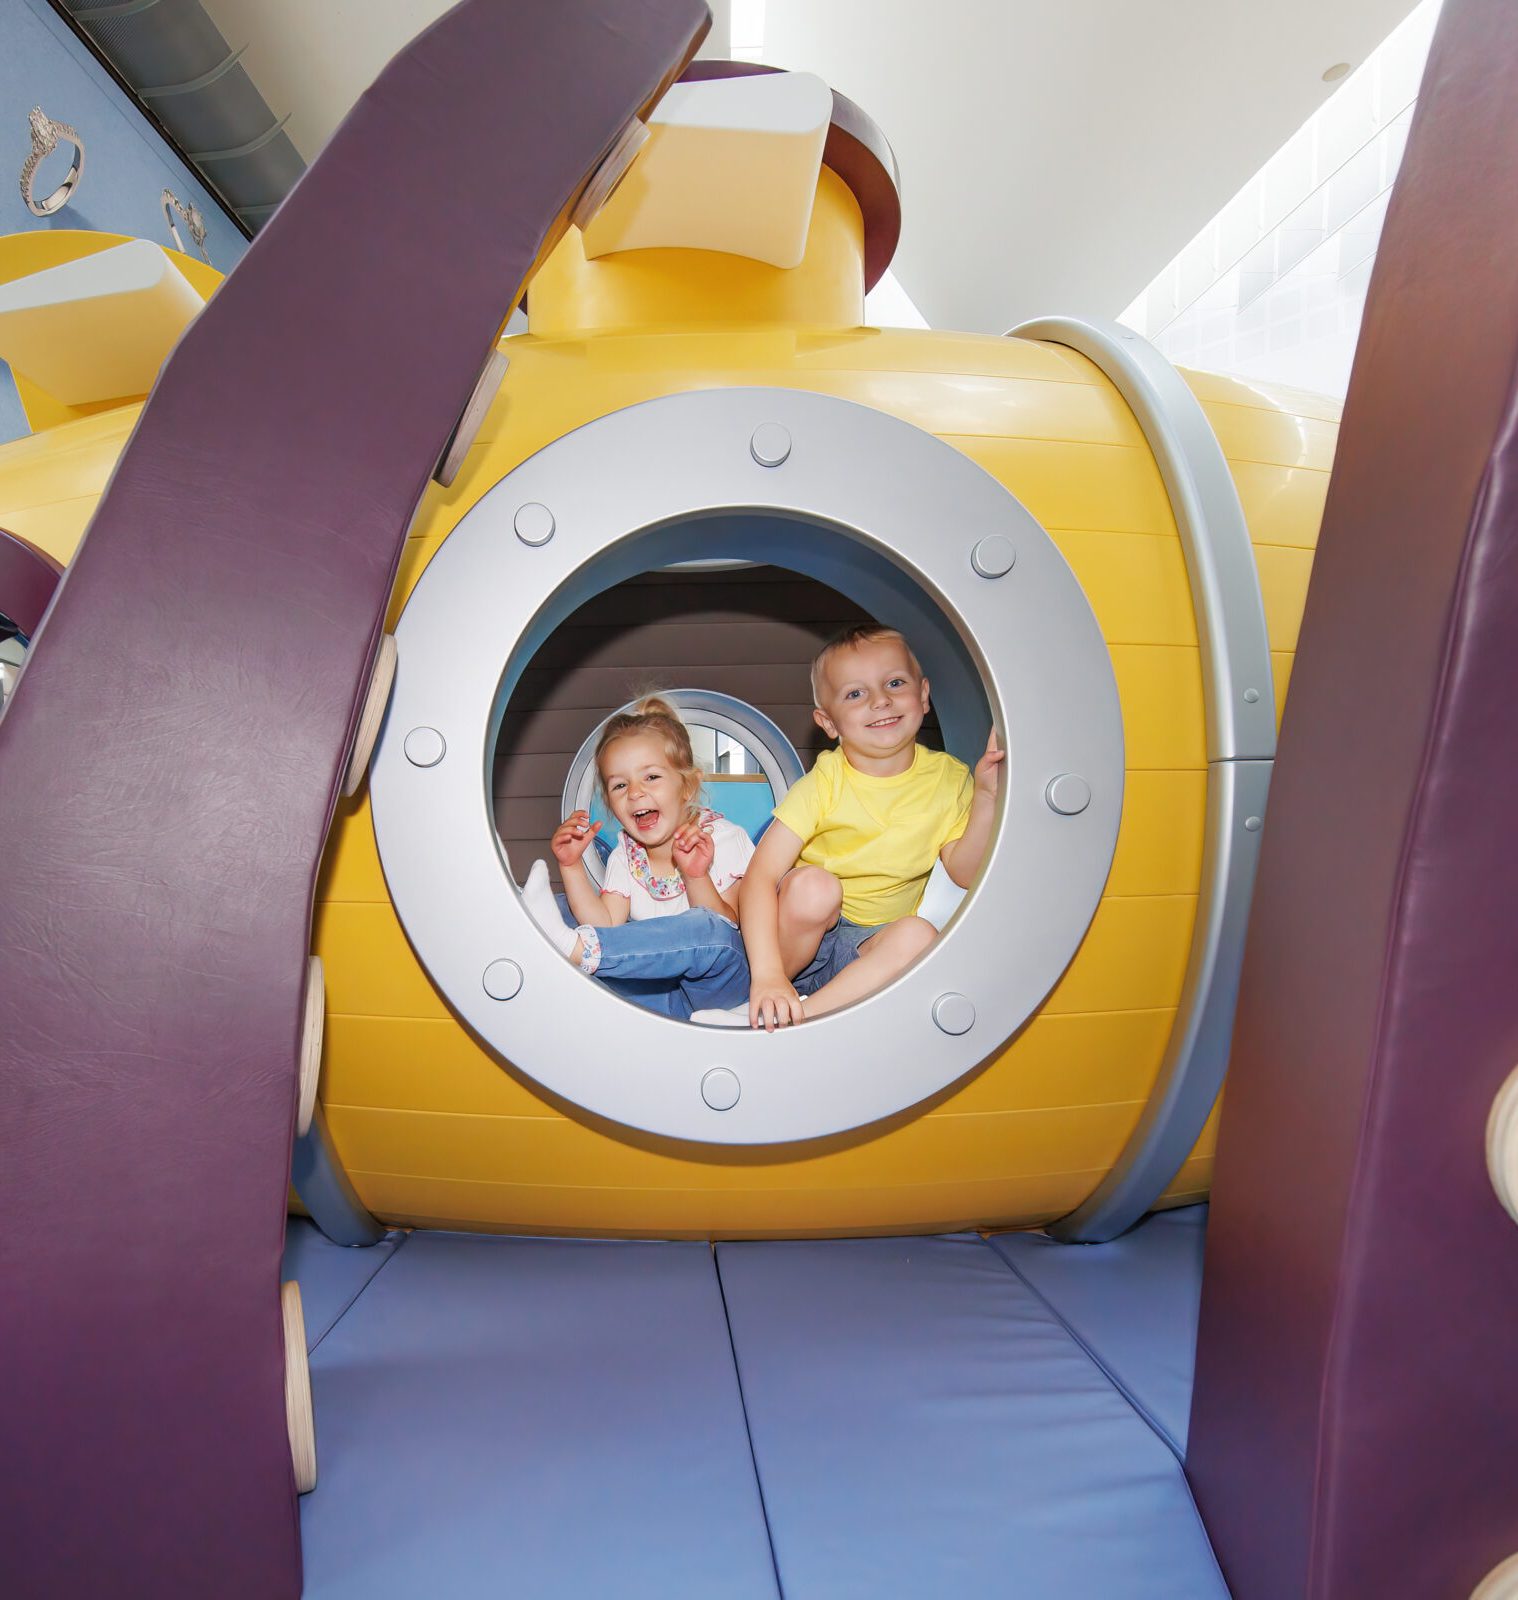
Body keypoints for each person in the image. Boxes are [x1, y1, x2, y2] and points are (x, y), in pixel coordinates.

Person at [735, 625, 1002, 1030]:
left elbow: (965, 872)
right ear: (828, 722)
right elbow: (760, 876)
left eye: (895, 682)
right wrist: (768, 974)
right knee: (815, 889)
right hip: (795, 939)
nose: (881, 701)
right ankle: (771, 995)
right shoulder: (825, 781)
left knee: (919, 935)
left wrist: (985, 798)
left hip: (864, 954)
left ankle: (799, 1018)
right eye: (855, 694)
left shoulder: (950, 779)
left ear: (924, 695)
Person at [519, 697, 755, 1021]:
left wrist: (696, 875)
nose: (634, 792)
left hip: (719, 992)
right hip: (657, 996)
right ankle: (513, 921)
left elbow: (732, 928)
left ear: (687, 787)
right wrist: (571, 865)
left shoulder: (723, 839)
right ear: (610, 803)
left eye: (651, 777)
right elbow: (605, 925)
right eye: (619, 785)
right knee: (561, 908)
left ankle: (576, 951)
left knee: (708, 929)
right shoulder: (627, 853)